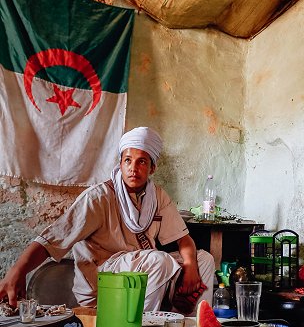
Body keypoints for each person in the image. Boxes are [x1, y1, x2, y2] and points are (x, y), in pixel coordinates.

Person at [0, 127, 214, 313]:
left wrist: (190, 268)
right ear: (120, 163)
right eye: (127, 160)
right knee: (159, 260)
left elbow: (183, 239)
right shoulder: (98, 198)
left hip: (143, 273)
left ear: (152, 168)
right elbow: (52, 239)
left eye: (141, 162)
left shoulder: (157, 196)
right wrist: (17, 272)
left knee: (204, 259)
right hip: (101, 283)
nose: (133, 168)